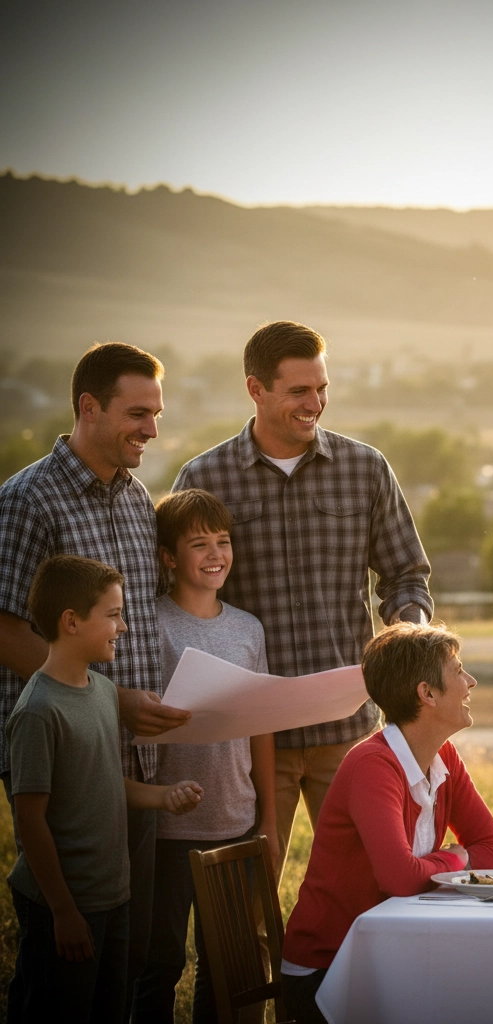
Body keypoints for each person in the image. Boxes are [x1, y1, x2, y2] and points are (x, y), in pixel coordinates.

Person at [172, 320, 432, 882]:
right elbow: (179, 595)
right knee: (246, 895)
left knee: (373, 884)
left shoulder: (365, 468)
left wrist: (407, 632)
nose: (314, 403)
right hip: (249, 740)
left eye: (321, 388)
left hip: (348, 728)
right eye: (298, 391)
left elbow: (407, 575)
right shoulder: (204, 476)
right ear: (256, 389)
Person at [0, 342, 191, 1017]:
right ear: (89, 407)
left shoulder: (137, 499)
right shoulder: (28, 500)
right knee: (61, 968)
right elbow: (5, 628)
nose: (152, 429)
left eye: (156, 413)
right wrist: (110, 702)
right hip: (64, 759)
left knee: (122, 957)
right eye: (138, 414)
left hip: (131, 759)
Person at [6, 556, 202, 1023]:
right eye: (113, 615)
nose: (124, 627)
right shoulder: (38, 712)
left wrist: (164, 796)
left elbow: (103, 781)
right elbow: (30, 820)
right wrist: (63, 911)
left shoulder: (101, 690)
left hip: (113, 896)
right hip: (64, 907)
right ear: (71, 622)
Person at [281, 623, 493, 1023]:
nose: (470, 682)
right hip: (329, 969)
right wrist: (456, 858)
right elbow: (400, 878)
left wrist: (437, 864)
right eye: (459, 671)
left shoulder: (443, 756)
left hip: (397, 954)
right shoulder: (373, 765)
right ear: (427, 693)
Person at [132, 489, 275, 1023]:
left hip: (234, 821)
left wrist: (268, 817)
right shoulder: (148, 624)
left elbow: (260, 726)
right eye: (199, 544)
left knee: (226, 965)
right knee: (159, 962)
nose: (216, 553)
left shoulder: (248, 628)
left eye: (223, 541)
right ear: (168, 557)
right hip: (167, 826)